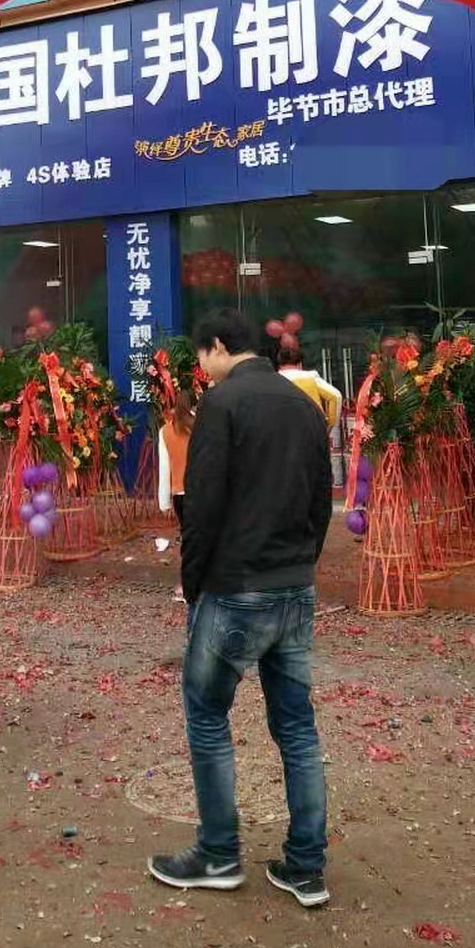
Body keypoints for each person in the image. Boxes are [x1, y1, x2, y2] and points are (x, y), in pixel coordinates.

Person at [148, 309, 333, 908]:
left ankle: (218, 853)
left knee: (207, 716)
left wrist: (193, 585)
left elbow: (202, 506)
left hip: (235, 586)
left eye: (202, 356)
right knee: (297, 727)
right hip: (294, 584)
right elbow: (321, 499)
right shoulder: (305, 406)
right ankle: (306, 865)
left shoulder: (222, 405)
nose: (202, 368)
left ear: (219, 346)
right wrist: (303, 562)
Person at [275, 345, 342, 431]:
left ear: (279, 365)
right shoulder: (311, 378)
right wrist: (330, 424)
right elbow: (335, 396)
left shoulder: (274, 380)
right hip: (313, 427)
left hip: (285, 428)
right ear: (300, 364)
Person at [158, 388, 196, 529]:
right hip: (201, 491)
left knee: (186, 534)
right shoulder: (201, 425)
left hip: (179, 492)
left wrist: (164, 503)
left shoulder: (165, 431)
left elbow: (164, 468)